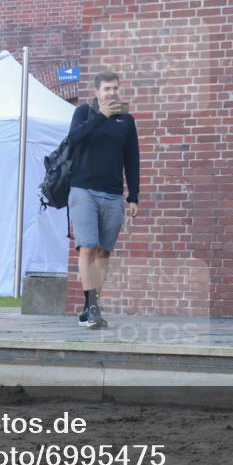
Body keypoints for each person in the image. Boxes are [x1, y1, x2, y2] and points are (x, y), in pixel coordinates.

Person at [67, 72, 140, 328]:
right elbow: (73, 139)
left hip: (112, 194)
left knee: (104, 251)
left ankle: (92, 302)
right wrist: (101, 117)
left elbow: (132, 159)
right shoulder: (84, 113)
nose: (112, 93)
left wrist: (134, 196)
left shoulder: (126, 120)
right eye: (107, 89)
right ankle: (92, 307)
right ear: (97, 91)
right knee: (87, 246)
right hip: (83, 190)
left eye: (115, 88)